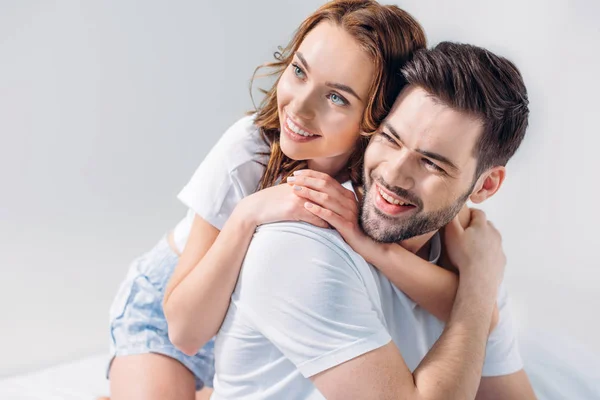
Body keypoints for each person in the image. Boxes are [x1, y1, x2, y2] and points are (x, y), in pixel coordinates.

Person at [107, 2, 467, 399]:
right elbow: (185, 333)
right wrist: (248, 213)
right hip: (172, 306)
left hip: (254, 324)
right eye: (299, 71)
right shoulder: (250, 150)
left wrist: (469, 270)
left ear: (378, 116)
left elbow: (462, 308)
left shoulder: (391, 180)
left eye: (336, 98)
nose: (298, 107)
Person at [209, 42, 537, 399]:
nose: (394, 174)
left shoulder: (469, 250)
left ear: (485, 185)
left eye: (431, 163)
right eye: (390, 139)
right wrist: (479, 283)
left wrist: (478, 279)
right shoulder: (301, 246)